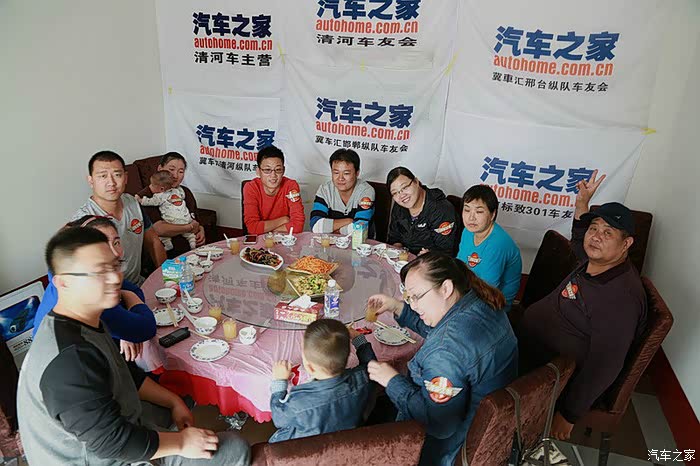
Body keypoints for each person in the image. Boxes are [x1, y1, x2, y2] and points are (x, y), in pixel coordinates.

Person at [18, 227, 250, 466]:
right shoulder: (70, 359)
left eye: (114, 266)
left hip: (120, 426)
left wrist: (174, 401)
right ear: (63, 283)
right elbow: (111, 443)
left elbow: (126, 375)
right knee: (234, 449)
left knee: (183, 401)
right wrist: (182, 443)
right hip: (102, 456)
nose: (114, 279)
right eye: (99, 272)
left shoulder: (84, 320)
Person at [516, 170, 647, 442]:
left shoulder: (621, 298)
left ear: (626, 244)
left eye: (608, 232)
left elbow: (605, 365)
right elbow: (579, 241)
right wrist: (582, 204)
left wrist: (568, 414)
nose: (596, 236)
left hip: (549, 372)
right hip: (532, 344)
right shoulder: (597, 261)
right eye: (594, 228)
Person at [366, 252, 517, 466]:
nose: (413, 305)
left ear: (446, 288)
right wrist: (398, 307)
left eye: (417, 296)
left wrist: (392, 381)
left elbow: (438, 425)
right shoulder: (479, 299)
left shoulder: (444, 353)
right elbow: (444, 331)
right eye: (409, 298)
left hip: (453, 447)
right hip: (494, 424)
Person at [33, 216, 156, 361]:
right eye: (101, 244)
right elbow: (146, 328)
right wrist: (127, 320)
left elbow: (134, 290)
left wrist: (125, 324)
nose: (114, 252)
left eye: (116, 242)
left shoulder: (76, 271)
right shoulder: (89, 293)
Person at [268, 319, 376, 442]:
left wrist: (279, 381)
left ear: (310, 367)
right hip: (347, 437)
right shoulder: (362, 378)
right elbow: (371, 365)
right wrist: (358, 338)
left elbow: (279, 419)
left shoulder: (299, 402)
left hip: (306, 446)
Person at [74, 150, 166, 285]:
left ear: (126, 177)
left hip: (139, 284)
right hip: (110, 292)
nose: (111, 182)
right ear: (91, 181)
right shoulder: (83, 221)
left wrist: (165, 278)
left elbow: (153, 241)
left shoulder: (132, 202)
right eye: (103, 176)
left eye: (117, 175)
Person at [456, 185, 522, 310]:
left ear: (492, 215)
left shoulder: (498, 244)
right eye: (467, 210)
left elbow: (487, 291)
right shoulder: (468, 231)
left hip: (493, 303)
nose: (471, 217)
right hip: (469, 291)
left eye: (479, 212)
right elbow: (459, 266)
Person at [138, 152, 206, 254]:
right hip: (166, 254)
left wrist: (201, 230)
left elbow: (195, 219)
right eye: (171, 169)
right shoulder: (146, 197)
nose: (175, 176)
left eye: (181, 171)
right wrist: (189, 227)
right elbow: (159, 229)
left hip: (191, 250)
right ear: (160, 169)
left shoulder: (184, 192)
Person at [386, 166, 457, 256]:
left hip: (432, 262)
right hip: (405, 259)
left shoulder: (441, 209)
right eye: (395, 193)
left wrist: (428, 255)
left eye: (405, 187)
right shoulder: (399, 206)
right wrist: (396, 251)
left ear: (416, 182)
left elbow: (446, 251)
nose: (402, 195)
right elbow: (394, 237)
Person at [310, 149, 375, 236]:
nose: (340, 178)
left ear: (357, 173)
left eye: (346, 173)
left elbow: (359, 229)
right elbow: (315, 225)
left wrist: (334, 230)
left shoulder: (366, 191)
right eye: (336, 173)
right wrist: (349, 221)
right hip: (330, 243)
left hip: (359, 243)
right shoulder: (325, 190)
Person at [242, 145, 305, 235]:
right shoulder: (251, 188)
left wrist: (267, 231)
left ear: (283, 170)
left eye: (278, 170)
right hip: (259, 241)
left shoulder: (291, 186)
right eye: (267, 170)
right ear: (258, 171)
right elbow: (252, 228)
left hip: (284, 240)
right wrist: (284, 220)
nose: (273, 175)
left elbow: (298, 225)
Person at [136, 170, 198, 251]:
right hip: (186, 219)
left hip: (172, 221)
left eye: (152, 185)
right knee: (189, 235)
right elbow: (183, 196)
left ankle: (168, 245)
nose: (150, 187)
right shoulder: (178, 191)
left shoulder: (159, 196)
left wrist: (140, 200)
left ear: (161, 189)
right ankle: (192, 243)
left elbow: (150, 202)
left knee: (164, 236)